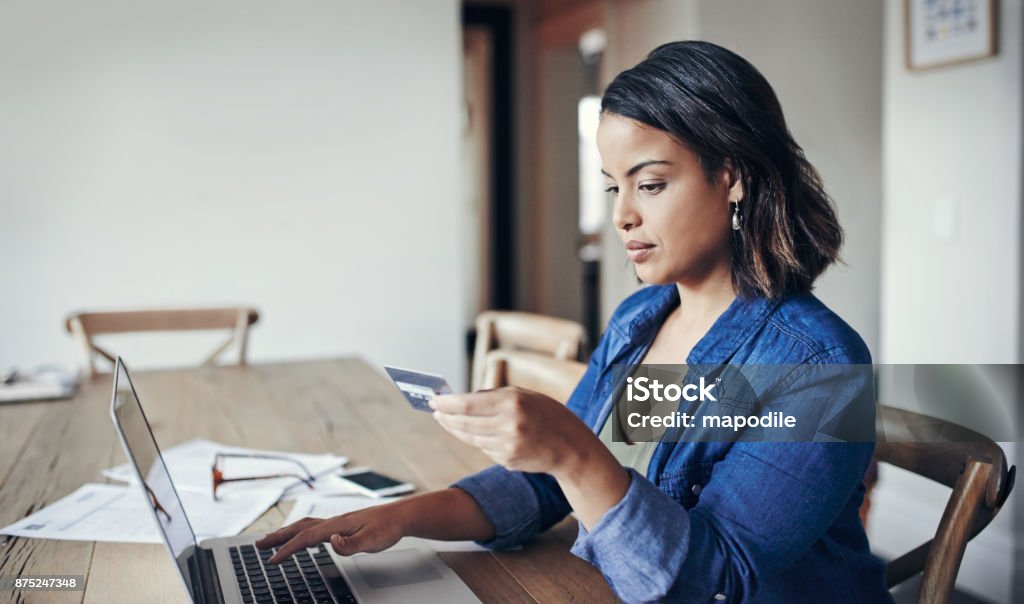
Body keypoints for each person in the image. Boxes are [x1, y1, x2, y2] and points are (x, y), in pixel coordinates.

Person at [258, 41, 891, 603]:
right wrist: (399, 518)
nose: (622, 217)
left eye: (650, 184)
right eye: (615, 187)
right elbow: (542, 490)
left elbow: (712, 579)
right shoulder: (643, 320)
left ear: (733, 177)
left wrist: (573, 450)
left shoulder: (817, 368)